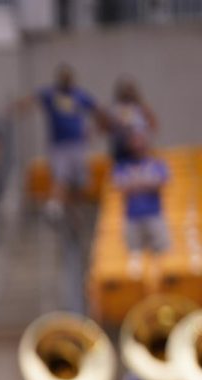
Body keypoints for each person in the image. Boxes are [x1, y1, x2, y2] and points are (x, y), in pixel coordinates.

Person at [25, 64, 104, 217]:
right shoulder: (51, 94)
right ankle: (55, 206)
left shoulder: (79, 95)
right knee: (60, 176)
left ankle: (75, 208)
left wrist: (95, 130)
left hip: (77, 143)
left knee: (80, 180)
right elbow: (33, 98)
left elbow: (97, 109)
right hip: (59, 145)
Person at [112, 131, 171, 255]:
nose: (137, 145)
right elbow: (121, 186)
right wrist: (146, 182)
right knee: (134, 257)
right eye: (134, 141)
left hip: (154, 215)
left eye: (140, 141)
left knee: (163, 255)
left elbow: (161, 182)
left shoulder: (157, 163)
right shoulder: (121, 166)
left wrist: (134, 183)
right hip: (132, 218)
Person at [108, 77, 157, 165]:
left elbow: (153, 124)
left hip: (139, 145)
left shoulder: (141, 108)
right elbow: (109, 127)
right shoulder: (115, 109)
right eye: (126, 90)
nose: (128, 93)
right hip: (122, 148)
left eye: (130, 90)